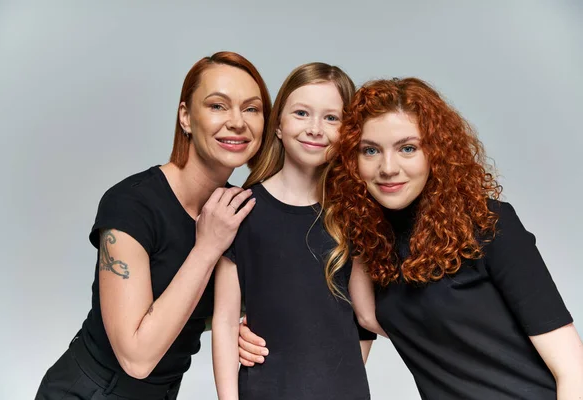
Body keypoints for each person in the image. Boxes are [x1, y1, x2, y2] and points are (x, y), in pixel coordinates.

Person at [323, 77, 583, 399]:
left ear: (436, 152)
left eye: (407, 148)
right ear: (352, 161)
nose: (387, 167)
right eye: (370, 150)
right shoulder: (375, 246)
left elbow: (573, 368)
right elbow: (366, 319)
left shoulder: (488, 224)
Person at [35, 51, 273, 400]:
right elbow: (137, 357)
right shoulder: (131, 204)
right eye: (218, 106)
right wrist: (207, 247)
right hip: (90, 392)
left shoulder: (233, 210)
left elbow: (201, 311)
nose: (238, 121)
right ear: (186, 117)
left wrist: (240, 326)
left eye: (251, 108)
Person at [212, 62, 374, 400]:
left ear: (348, 133)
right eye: (302, 113)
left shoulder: (353, 213)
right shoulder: (242, 209)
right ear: (279, 126)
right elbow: (225, 321)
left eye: (332, 118)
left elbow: (362, 320)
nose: (316, 129)